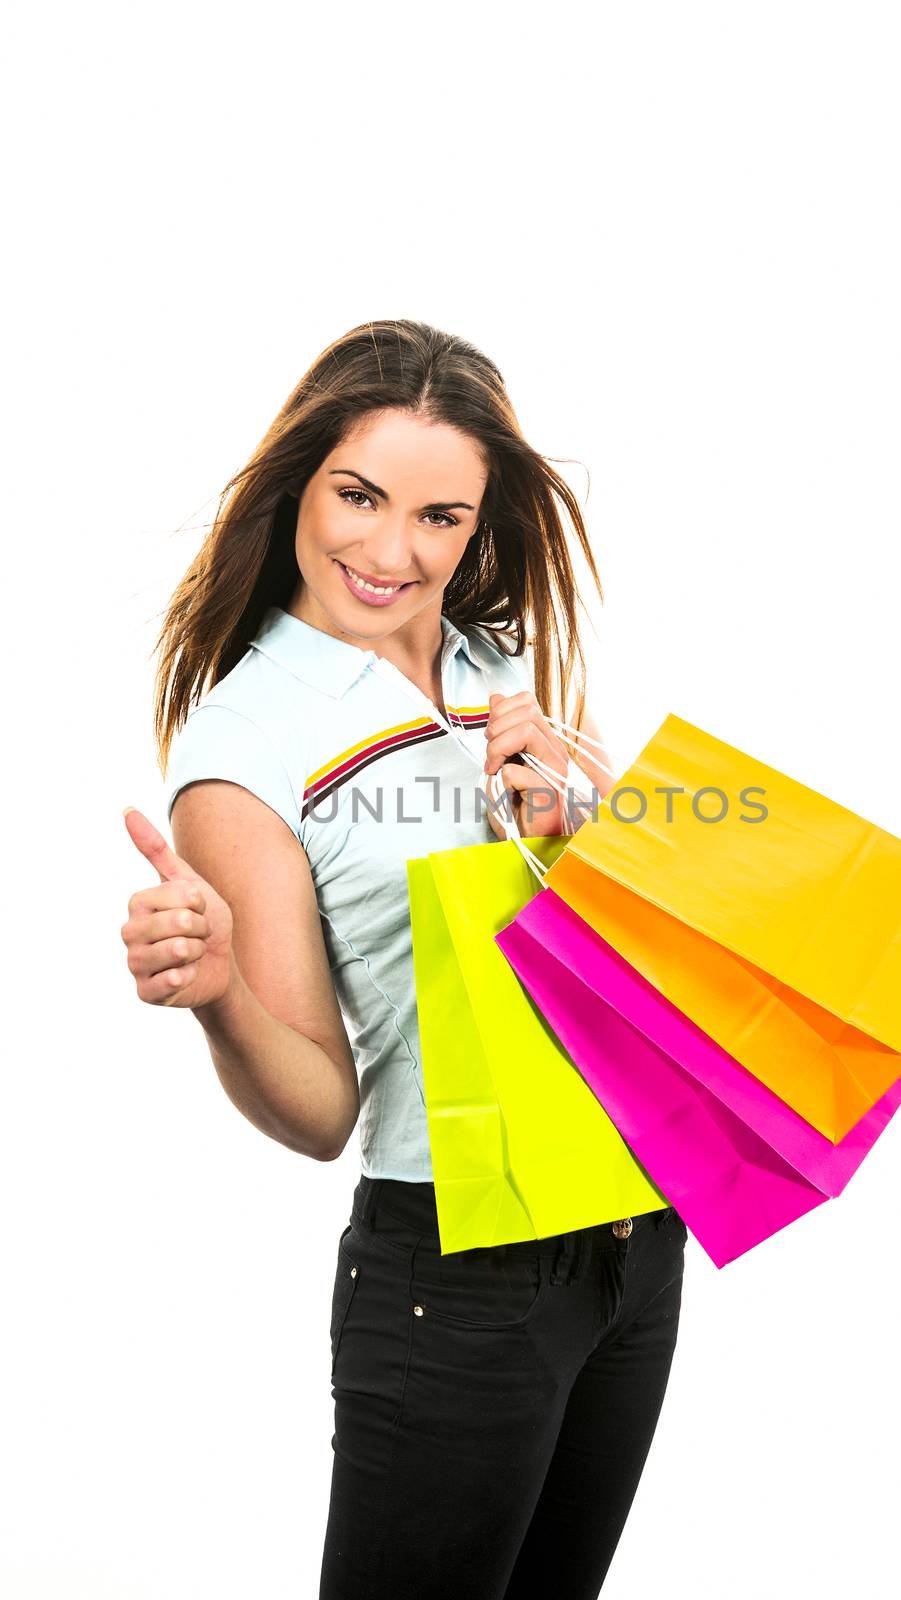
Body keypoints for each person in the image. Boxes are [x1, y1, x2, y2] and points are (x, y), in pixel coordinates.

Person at [120, 319, 688, 1600]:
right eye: (359, 496)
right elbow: (322, 1109)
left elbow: (620, 985)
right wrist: (218, 1000)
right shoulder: (247, 743)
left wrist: (566, 838)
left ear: (480, 525)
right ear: (298, 486)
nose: (390, 553)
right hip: (458, 1274)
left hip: (635, 1242)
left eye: (439, 516)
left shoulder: (510, 671)